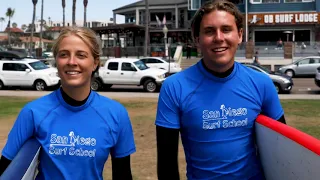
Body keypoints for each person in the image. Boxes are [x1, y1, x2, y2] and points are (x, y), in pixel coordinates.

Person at [155, 0, 286, 180]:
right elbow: (166, 164)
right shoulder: (174, 88)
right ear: (197, 39)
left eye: (226, 29)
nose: (218, 37)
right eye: (209, 31)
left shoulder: (262, 83)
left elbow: (284, 150)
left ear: (239, 35)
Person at [0, 26, 136, 180]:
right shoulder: (33, 113)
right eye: (64, 55)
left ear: (95, 63)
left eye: (81, 55)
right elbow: (6, 170)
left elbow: (123, 174)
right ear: (56, 61)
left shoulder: (116, 114)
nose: (72, 62)